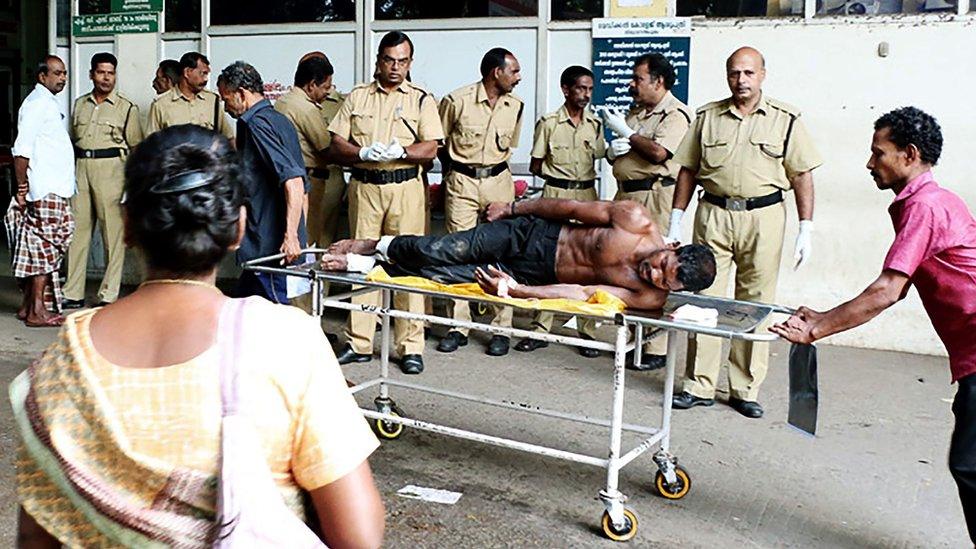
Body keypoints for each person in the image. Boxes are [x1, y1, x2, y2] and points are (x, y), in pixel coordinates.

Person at [11, 124, 384, 548]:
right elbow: (359, 537)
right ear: (238, 228)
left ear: (128, 225)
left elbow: (36, 537)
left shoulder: (63, 362)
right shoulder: (285, 341)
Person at [771, 107, 975, 546]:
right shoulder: (926, 201)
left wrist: (816, 330)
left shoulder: (924, 206)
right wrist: (822, 317)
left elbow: (886, 291)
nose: (869, 164)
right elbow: (893, 289)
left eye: (877, 154)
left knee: (971, 466)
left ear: (909, 155)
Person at [666, 46, 821, 418]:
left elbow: (802, 175)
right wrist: (675, 219)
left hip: (764, 216)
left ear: (763, 75)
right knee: (704, 301)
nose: (741, 80)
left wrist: (806, 227)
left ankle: (744, 387)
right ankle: (698, 383)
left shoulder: (785, 119)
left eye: (749, 73)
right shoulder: (706, 117)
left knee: (756, 302)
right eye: (735, 73)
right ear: (727, 76)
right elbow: (687, 170)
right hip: (713, 213)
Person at [321, 198, 716, 312]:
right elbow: (568, 209)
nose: (653, 275)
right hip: (532, 233)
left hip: (533, 272)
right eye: (661, 265)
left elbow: (582, 293)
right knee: (439, 248)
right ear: (672, 246)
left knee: (444, 277)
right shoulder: (634, 219)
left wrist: (517, 290)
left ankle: (369, 264)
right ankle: (372, 244)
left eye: (665, 281)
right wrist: (513, 209)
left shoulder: (649, 297)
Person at [326, 31, 443, 374]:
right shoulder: (358, 97)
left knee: (407, 264)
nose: (395, 67)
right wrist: (360, 151)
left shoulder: (421, 99)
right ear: (378, 60)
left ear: (410, 63)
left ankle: (410, 347)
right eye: (389, 60)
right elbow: (336, 144)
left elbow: (432, 147)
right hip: (365, 187)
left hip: (405, 188)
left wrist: (402, 152)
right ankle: (359, 342)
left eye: (402, 61)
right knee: (360, 263)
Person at [602, 53, 693, 371]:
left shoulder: (676, 114)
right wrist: (611, 152)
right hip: (627, 196)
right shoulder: (637, 111)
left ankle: (654, 347)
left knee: (658, 271)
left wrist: (626, 133)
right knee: (626, 268)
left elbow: (658, 153)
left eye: (638, 78)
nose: (632, 83)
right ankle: (630, 339)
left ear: (659, 81)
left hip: (655, 198)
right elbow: (627, 151)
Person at [437, 47, 525, 357]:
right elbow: (440, 142)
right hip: (462, 181)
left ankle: (500, 328)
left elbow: (510, 145)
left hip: (499, 181)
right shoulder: (456, 100)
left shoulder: (515, 105)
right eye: (513, 71)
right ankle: (458, 326)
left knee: (501, 251)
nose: (518, 77)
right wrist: (453, 175)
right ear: (495, 73)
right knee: (457, 251)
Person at [517, 65, 605, 358]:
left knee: (588, 261)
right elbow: (535, 165)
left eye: (590, 89)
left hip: (586, 195)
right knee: (546, 260)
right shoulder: (549, 122)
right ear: (566, 89)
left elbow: (604, 154)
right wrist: (560, 179)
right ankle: (540, 328)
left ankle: (587, 332)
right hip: (556, 193)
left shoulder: (596, 124)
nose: (586, 95)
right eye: (581, 88)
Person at [216, 61, 308, 304]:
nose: (225, 107)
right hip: (262, 244)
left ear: (242, 93)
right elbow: (302, 188)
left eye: (226, 99)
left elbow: (295, 181)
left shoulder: (258, 125)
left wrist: (291, 237)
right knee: (242, 308)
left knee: (274, 314)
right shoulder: (279, 121)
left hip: (269, 248)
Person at [63, 52, 143, 310]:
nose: (106, 78)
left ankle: (108, 294)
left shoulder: (126, 107)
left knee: (113, 235)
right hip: (82, 168)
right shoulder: (80, 104)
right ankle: (72, 292)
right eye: (101, 72)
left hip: (112, 171)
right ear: (91, 74)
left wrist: (130, 186)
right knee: (78, 234)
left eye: (111, 73)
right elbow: (73, 138)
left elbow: (136, 147)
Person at [7, 55, 75, 327]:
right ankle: (37, 310)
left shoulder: (47, 103)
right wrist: (22, 188)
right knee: (45, 249)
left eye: (64, 73)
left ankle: (28, 307)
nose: (62, 78)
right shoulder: (37, 104)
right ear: (42, 76)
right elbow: (21, 150)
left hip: (53, 188)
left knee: (42, 245)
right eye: (57, 73)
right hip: (45, 189)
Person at [147, 52, 235, 141]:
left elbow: (229, 138)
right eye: (202, 73)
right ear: (187, 72)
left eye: (206, 74)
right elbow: (151, 145)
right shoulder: (160, 105)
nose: (206, 79)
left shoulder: (212, 100)